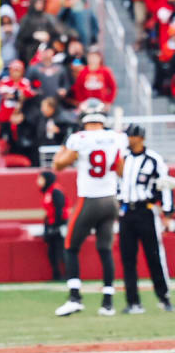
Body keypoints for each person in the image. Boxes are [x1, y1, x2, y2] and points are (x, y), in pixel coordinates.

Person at [51, 102, 127, 316]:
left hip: (90, 200)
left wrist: (65, 146)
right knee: (105, 249)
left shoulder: (79, 138)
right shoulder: (116, 137)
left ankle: (75, 297)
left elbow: (58, 165)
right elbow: (121, 169)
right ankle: (108, 302)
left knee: (70, 246)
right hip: (111, 199)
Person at [117, 124, 172, 313]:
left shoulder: (153, 159)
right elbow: (117, 182)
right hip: (126, 211)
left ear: (140, 138)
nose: (129, 140)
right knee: (128, 259)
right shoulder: (122, 158)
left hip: (146, 211)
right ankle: (133, 302)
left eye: (132, 136)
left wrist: (167, 211)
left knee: (154, 255)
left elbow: (164, 185)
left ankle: (164, 297)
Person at [38, 171, 68, 281]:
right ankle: (57, 275)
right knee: (52, 252)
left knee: (61, 251)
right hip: (51, 224)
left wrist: (56, 226)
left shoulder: (56, 191)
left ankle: (67, 275)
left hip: (59, 226)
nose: (38, 182)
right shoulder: (48, 192)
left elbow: (59, 209)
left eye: (41, 179)